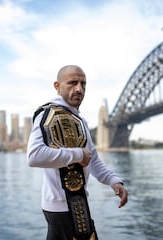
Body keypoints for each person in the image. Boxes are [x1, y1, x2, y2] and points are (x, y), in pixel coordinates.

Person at [27, 65, 128, 240]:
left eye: (83, 84)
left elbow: (92, 159)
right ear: (57, 86)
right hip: (64, 208)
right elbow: (34, 156)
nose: (79, 89)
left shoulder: (80, 120)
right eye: (73, 83)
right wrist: (78, 154)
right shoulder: (48, 113)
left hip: (75, 205)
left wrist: (113, 181)